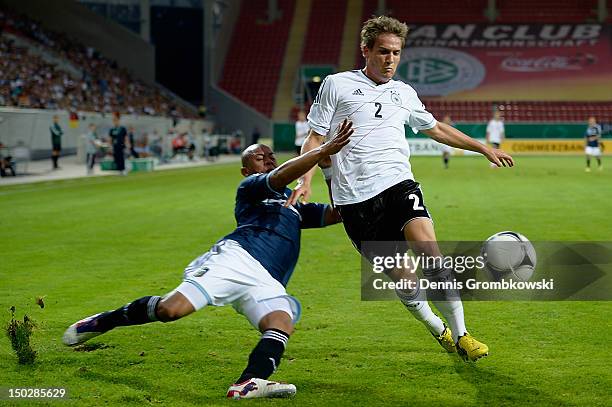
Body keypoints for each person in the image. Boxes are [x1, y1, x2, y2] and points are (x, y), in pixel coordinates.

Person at [62, 120, 353, 399]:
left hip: (267, 280)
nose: (266, 159)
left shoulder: (294, 202)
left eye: (270, 155)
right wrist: (320, 152)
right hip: (237, 259)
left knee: (280, 321)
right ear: (245, 170)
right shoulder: (251, 188)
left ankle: (249, 382)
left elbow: (339, 213)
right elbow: (279, 177)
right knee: (170, 310)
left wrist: (328, 171)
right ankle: (103, 322)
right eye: (258, 157)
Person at [291, 16, 514, 362]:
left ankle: (462, 334)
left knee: (430, 252)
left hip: (398, 184)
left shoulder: (404, 92)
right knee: (405, 278)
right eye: (383, 51)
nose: (390, 59)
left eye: (396, 52)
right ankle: (436, 328)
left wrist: (483, 147)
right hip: (354, 200)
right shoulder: (337, 85)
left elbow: (436, 129)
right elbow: (315, 139)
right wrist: (304, 178)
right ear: (365, 50)